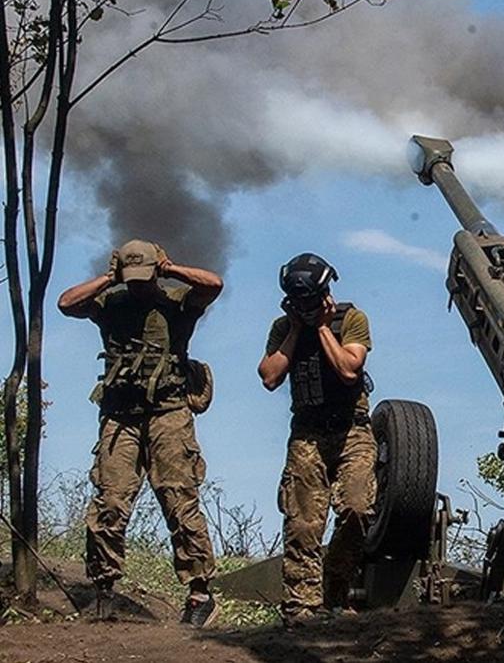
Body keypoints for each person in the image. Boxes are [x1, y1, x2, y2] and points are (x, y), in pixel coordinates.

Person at [57, 239, 222, 627]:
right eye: (130, 279)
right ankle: (104, 590)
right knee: (109, 504)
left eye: (142, 277)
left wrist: (171, 268)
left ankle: (200, 595)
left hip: (169, 414)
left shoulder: (177, 301)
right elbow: (66, 304)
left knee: (180, 502)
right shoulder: (110, 303)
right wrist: (108, 279)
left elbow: (213, 284)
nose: (137, 286)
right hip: (120, 416)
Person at [257, 253, 376, 624]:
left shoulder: (351, 320)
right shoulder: (283, 328)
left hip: (351, 429)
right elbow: (269, 376)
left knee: (357, 508)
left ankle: (335, 590)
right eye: (298, 302)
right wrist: (296, 330)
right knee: (303, 522)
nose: (306, 307)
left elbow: (347, 369)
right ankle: (301, 605)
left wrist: (323, 328)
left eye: (311, 300)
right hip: (307, 433)